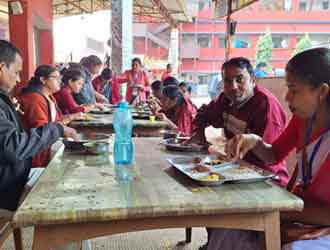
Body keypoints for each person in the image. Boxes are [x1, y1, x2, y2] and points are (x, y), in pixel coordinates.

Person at [208, 47, 330, 250]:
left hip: (310, 214)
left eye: (294, 89)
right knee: (228, 230)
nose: (287, 97)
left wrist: (277, 211)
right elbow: (274, 155)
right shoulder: (302, 120)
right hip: (298, 208)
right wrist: (255, 141)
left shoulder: (267, 104)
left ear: (322, 92)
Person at [0, 40, 78, 211]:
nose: (19, 78)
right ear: (1, 68)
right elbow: (12, 147)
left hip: (15, 175)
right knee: (66, 192)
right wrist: (58, 128)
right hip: (7, 187)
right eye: (16, 72)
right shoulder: (34, 99)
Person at [191, 57, 288, 186]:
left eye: (240, 79)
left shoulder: (265, 107)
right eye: (227, 81)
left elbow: (270, 158)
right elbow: (203, 114)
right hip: (235, 171)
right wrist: (198, 134)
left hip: (267, 180)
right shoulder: (225, 99)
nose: (233, 87)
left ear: (253, 81)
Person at [19, 65, 81, 168]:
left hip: (47, 148)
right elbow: (42, 130)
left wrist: (70, 118)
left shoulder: (50, 97)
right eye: (56, 78)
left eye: (60, 78)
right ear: (43, 79)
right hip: (36, 157)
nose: (60, 81)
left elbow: (56, 121)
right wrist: (64, 129)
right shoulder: (34, 99)